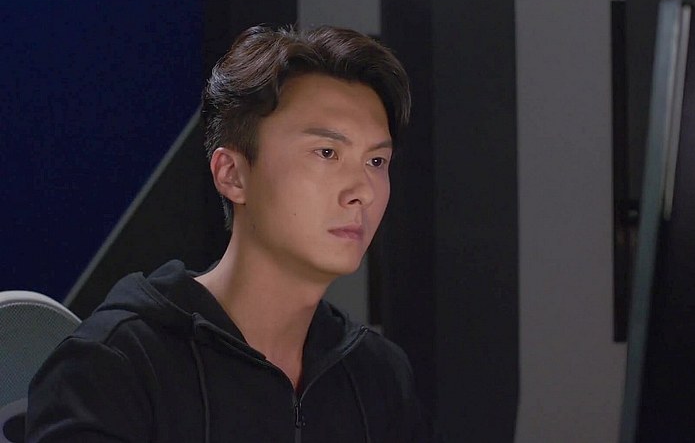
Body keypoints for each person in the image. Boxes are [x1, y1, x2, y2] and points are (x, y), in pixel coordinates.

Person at [27, 25, 433, 442]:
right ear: (232, 174)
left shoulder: (378, 375)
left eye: (376, 161)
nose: (363, 191)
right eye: (327, 153)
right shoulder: (114, 365)